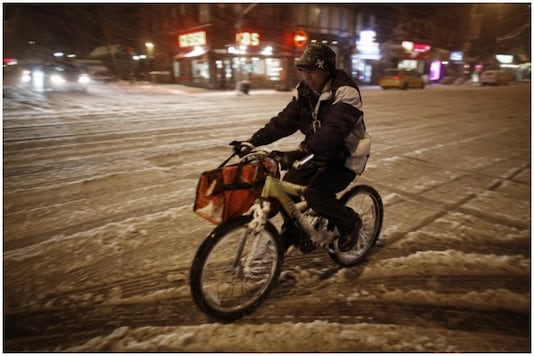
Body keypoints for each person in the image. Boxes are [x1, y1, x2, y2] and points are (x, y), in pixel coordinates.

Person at [232, 43, 368, 252]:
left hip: (344, 157)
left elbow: (334, 130)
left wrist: (302, 150)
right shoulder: (305, 91)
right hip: (315, 153)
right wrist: (254, 141)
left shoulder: (345, 91)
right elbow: (285, 121)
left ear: (327, 71)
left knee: (316, 194)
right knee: (286, 187)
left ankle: (350, 222)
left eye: (313, 71)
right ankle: (295, 230)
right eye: (304, 71)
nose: (308, 77)